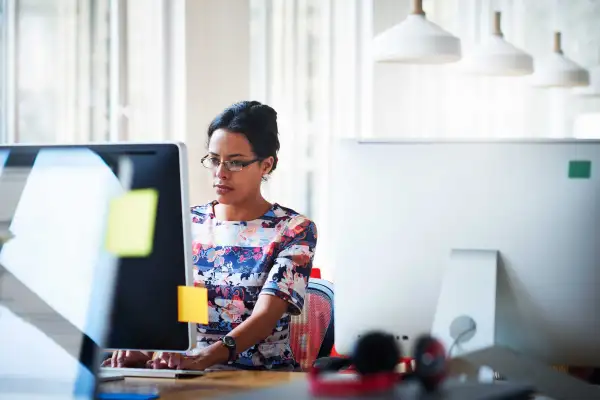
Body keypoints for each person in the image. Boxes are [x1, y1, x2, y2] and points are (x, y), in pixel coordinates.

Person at [103, 100, 318, 370]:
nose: (220, 174)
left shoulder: (294, 229)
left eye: (236, 163)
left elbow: (266, 317)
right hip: (192, 372)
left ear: (266, 165)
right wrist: (146, 351)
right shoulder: (188, 222)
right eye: (215, 160)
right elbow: (187, 306)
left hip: (261, 378)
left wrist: (208, 357)